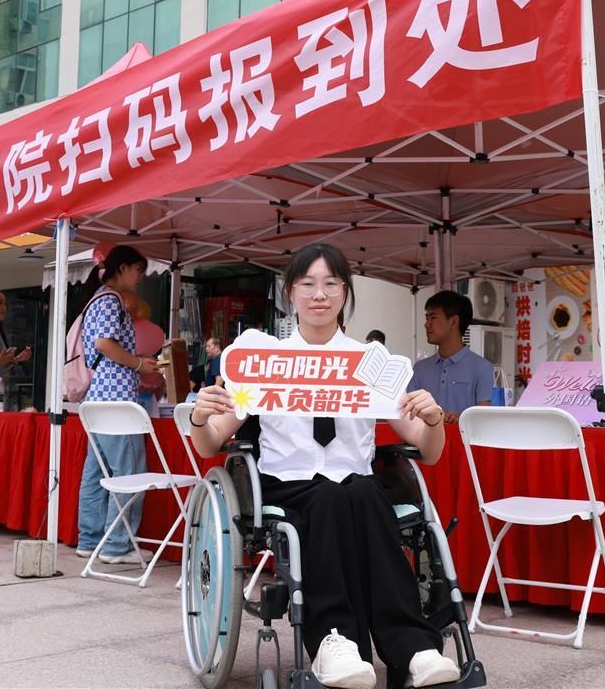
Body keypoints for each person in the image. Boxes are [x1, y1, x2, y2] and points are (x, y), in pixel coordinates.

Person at [190, 244, 459, 689]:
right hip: (288, 483)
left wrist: (432, 421)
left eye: (331, 284)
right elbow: (212, 441)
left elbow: (427, 450)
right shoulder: (264, 362)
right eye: (308, 284)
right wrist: (201, 418)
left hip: (356, 483)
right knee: (330, 495)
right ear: (290, 293)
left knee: (364, 492)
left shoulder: (371, 364)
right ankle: (336, 640)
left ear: (345, 292)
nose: (320, 294)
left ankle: (413, 647)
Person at [75, 245, 162, 565]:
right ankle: (116, 544)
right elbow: (104, 343)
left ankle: (90, 540)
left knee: (96, 472)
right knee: (128, 472)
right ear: (123, 268)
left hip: (98, 398)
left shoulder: (97, 298)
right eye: (139, 270)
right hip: (116, 399)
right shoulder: (111, 300)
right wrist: (138, 363)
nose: (141, 277)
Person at [407, 291, 493, 424]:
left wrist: (462, 419)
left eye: (433, 318)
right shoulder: (419, 369)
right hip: (424, 438)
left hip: (463, 438)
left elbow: (484, 419)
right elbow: (408, 415)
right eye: (427, 318)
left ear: (453, 322)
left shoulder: (482, 368)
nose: (427, 324)